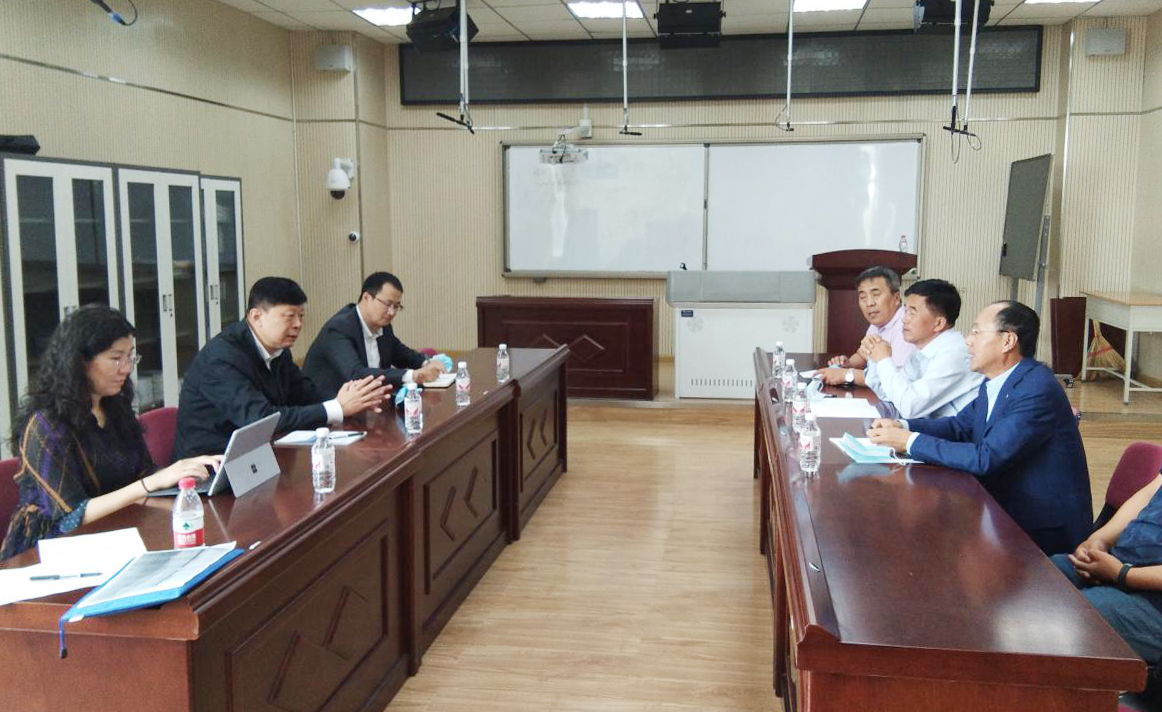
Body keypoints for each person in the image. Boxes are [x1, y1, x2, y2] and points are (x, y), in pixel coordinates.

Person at [867, 300, 1091, 556]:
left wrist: (908, 441)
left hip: (1039, 529)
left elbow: (986, 457)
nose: (968, 341)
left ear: (1008, 341)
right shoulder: (998, 380)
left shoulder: (1036, 389)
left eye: (976, 332)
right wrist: (902, 424)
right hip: (1002, 509)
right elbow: (960, 426)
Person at [1, 306, 221, 559]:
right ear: (80, 362)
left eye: (130, 357)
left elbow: (142, 474)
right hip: (49, 551)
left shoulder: (113, 406)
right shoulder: (45, 426)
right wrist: (151, 483)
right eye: (116, 358)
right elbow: (72, 518)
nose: (126, 368)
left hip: (117, 529)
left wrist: (187, 472)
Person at [173, 277, 390, 459]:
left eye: (301, 316)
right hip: (210, 468)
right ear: (256, 316)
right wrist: (337, 408)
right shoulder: (221, 357)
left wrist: (353, 401)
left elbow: (306, 394)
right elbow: (260, 420)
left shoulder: (278, 350)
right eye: (289, 317)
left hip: (260, 457)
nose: (298, 324)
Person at [1052, 473, 1162, 664]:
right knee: (1043, 578)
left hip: (1153, 603)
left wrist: (1122, 574)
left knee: (1069, 616)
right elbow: (1148, 495)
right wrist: (1098, 540)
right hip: (1121, 564)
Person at [303, 271, 447, 397]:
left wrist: (427, 363)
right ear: (366, 298)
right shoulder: (338, 329)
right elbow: (356, 374)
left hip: (368, 403)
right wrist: (414, 375)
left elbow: (401, 353)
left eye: (396, 306)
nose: (391, 312)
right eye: (387, 304)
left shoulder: (383, 326)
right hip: (328, 409)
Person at [862, 279, 982, 419]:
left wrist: (884, 360)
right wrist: (874, 355)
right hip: (930, 428)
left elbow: (909, 407)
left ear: (938, 323)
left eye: (912, 313)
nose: (904, 319)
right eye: (905, 311)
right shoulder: (920, 353)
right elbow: (891, 396)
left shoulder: (955, 354)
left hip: (959, 432)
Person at [820, 266, 917, 388]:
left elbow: (896, 377)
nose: (869, 303)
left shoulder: (907, 325)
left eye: (876, 295)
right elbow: (863, 355)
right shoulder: (877, 324)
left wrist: (847, 375)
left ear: (896, 298)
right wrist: (847, 364)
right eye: (863, 297)